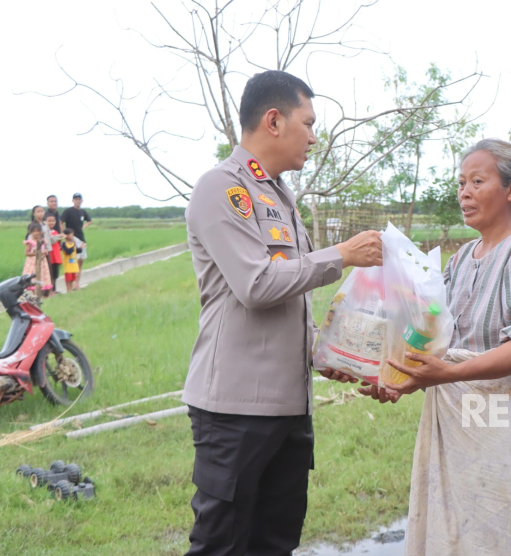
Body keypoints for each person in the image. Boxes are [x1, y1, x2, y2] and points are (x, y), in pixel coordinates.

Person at [329, 138, 511, 555]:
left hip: (505, 426)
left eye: (478, 181)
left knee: (499, 537)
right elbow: (439, 340)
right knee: (450, 536)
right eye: (461, 183)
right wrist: (397, 379)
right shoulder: (460, 260)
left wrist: (450, 374)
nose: (465, 192)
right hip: (454, 422)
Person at [181, 69, 383, 556]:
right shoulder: (222, 189)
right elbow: (256, 285)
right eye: (308, 123)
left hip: (290, 408)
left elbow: (292, 300)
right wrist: (341, 255)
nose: (314, 137)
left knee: (275, 542)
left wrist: (334, 354)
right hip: (235, 411)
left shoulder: (279, 196)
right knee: (222, 544)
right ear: (274, 120)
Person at [61, 193, 91, 280]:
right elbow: (60, 222)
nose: (78, 201)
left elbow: (89, 221)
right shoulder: (68, 211)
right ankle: (72, 282)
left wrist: (83, 227)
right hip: (72, 238)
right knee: (73, 261)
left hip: (81, 237)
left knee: (81, 260)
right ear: (73, 200)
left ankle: (77, 282)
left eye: (79, 199)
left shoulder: (83, 212)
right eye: (76, 199)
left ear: (81, 200)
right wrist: (65, 234)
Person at [23, 222, 53, 297]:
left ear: (40, 231)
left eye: (38, 231)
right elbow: (26, 253)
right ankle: (34, 295)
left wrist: (45, 252)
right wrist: (37, 253)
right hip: (32, 263)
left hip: (42, 262)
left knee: (42, 277)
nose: (36, 233)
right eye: (34, 231)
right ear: (30, 232)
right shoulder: (30, 242)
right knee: (33, 278)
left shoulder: (42, 241)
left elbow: (44, 249)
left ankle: (41, 295)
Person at [60, 228, 82, 292]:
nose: (73, 236)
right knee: (68, 279)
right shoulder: (64, 244)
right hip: (68, 266)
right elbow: (68, 251)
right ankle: (68, 290)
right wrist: (73, 245)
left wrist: (80, 247)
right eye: (71, 235)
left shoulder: (73, 243)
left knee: (73, 279)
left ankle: (71, 290)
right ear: (66, 235)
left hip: (74, 265)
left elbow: (77, 251)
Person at [45, 214, 63, 293]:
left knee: (55, 275)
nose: (51, 223)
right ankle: (49, 291)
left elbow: (59, 245)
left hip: (56, 256)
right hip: (49, 256)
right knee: (49, 274)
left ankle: (53, 290)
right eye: (49, 221)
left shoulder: (56, 232)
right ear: (45, 222)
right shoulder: (45, 233)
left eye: (53, 221)